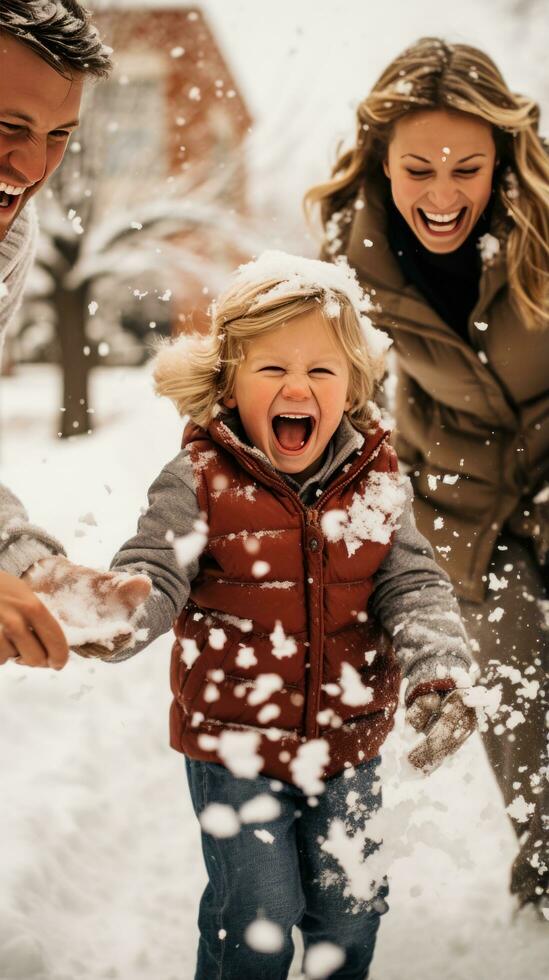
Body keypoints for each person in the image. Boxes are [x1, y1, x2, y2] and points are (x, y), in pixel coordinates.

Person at [30, 251, 477, 978]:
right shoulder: (197, 479)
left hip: (348, 739)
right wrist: (119, 614)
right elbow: (155, 573)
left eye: (321, 371)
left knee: (351, 907)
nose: (297, 386)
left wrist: (437, 670)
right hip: (233, 746)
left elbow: (412, 584)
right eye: (271, 369)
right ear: (229, 382)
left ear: (353, 386)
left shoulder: (375, 477)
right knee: (258, 915)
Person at [305, 36, 548, 911]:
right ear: (380, 158)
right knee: (523, 711)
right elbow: (331, 387)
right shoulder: (349, 247)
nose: (442, 195)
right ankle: (547, 877)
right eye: (417, 168)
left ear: (503, 158)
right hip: (457, 496)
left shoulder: (545, 224)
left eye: (467, 168)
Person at [0, 1, 147, 668]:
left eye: (58, 135)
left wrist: (23, 563)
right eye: (7, 125)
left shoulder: (10, 237)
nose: (30, 168)